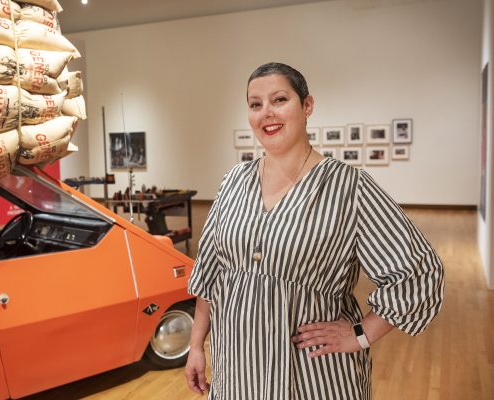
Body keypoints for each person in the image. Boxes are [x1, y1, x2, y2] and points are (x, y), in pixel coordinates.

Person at [185, 62, 444, 399]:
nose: (266, 113)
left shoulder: (349, 187)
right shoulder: (233, 181)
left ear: (307, 106)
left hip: (313, 376)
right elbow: (211, 272)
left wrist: (360, 334)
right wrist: (195, 346)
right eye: (255, 104)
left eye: (279, 99)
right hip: (238, 371)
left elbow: (419, 274)